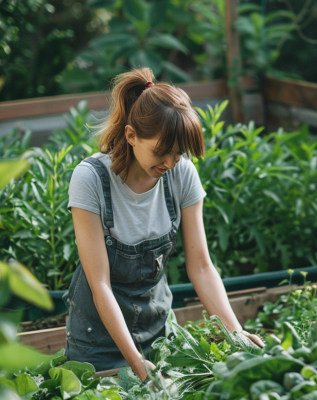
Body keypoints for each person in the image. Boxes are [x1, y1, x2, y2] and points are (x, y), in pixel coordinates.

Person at [64, 67, 264, 380]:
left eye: (178, 153)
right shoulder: (90, 180)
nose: (170, 163)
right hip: (97, 344)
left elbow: (201, 267)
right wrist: (135, 362)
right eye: (161, 152)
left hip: (159, 335)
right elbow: (99, 283)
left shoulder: (181, 174)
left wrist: (234, 332)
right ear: (131, 135)